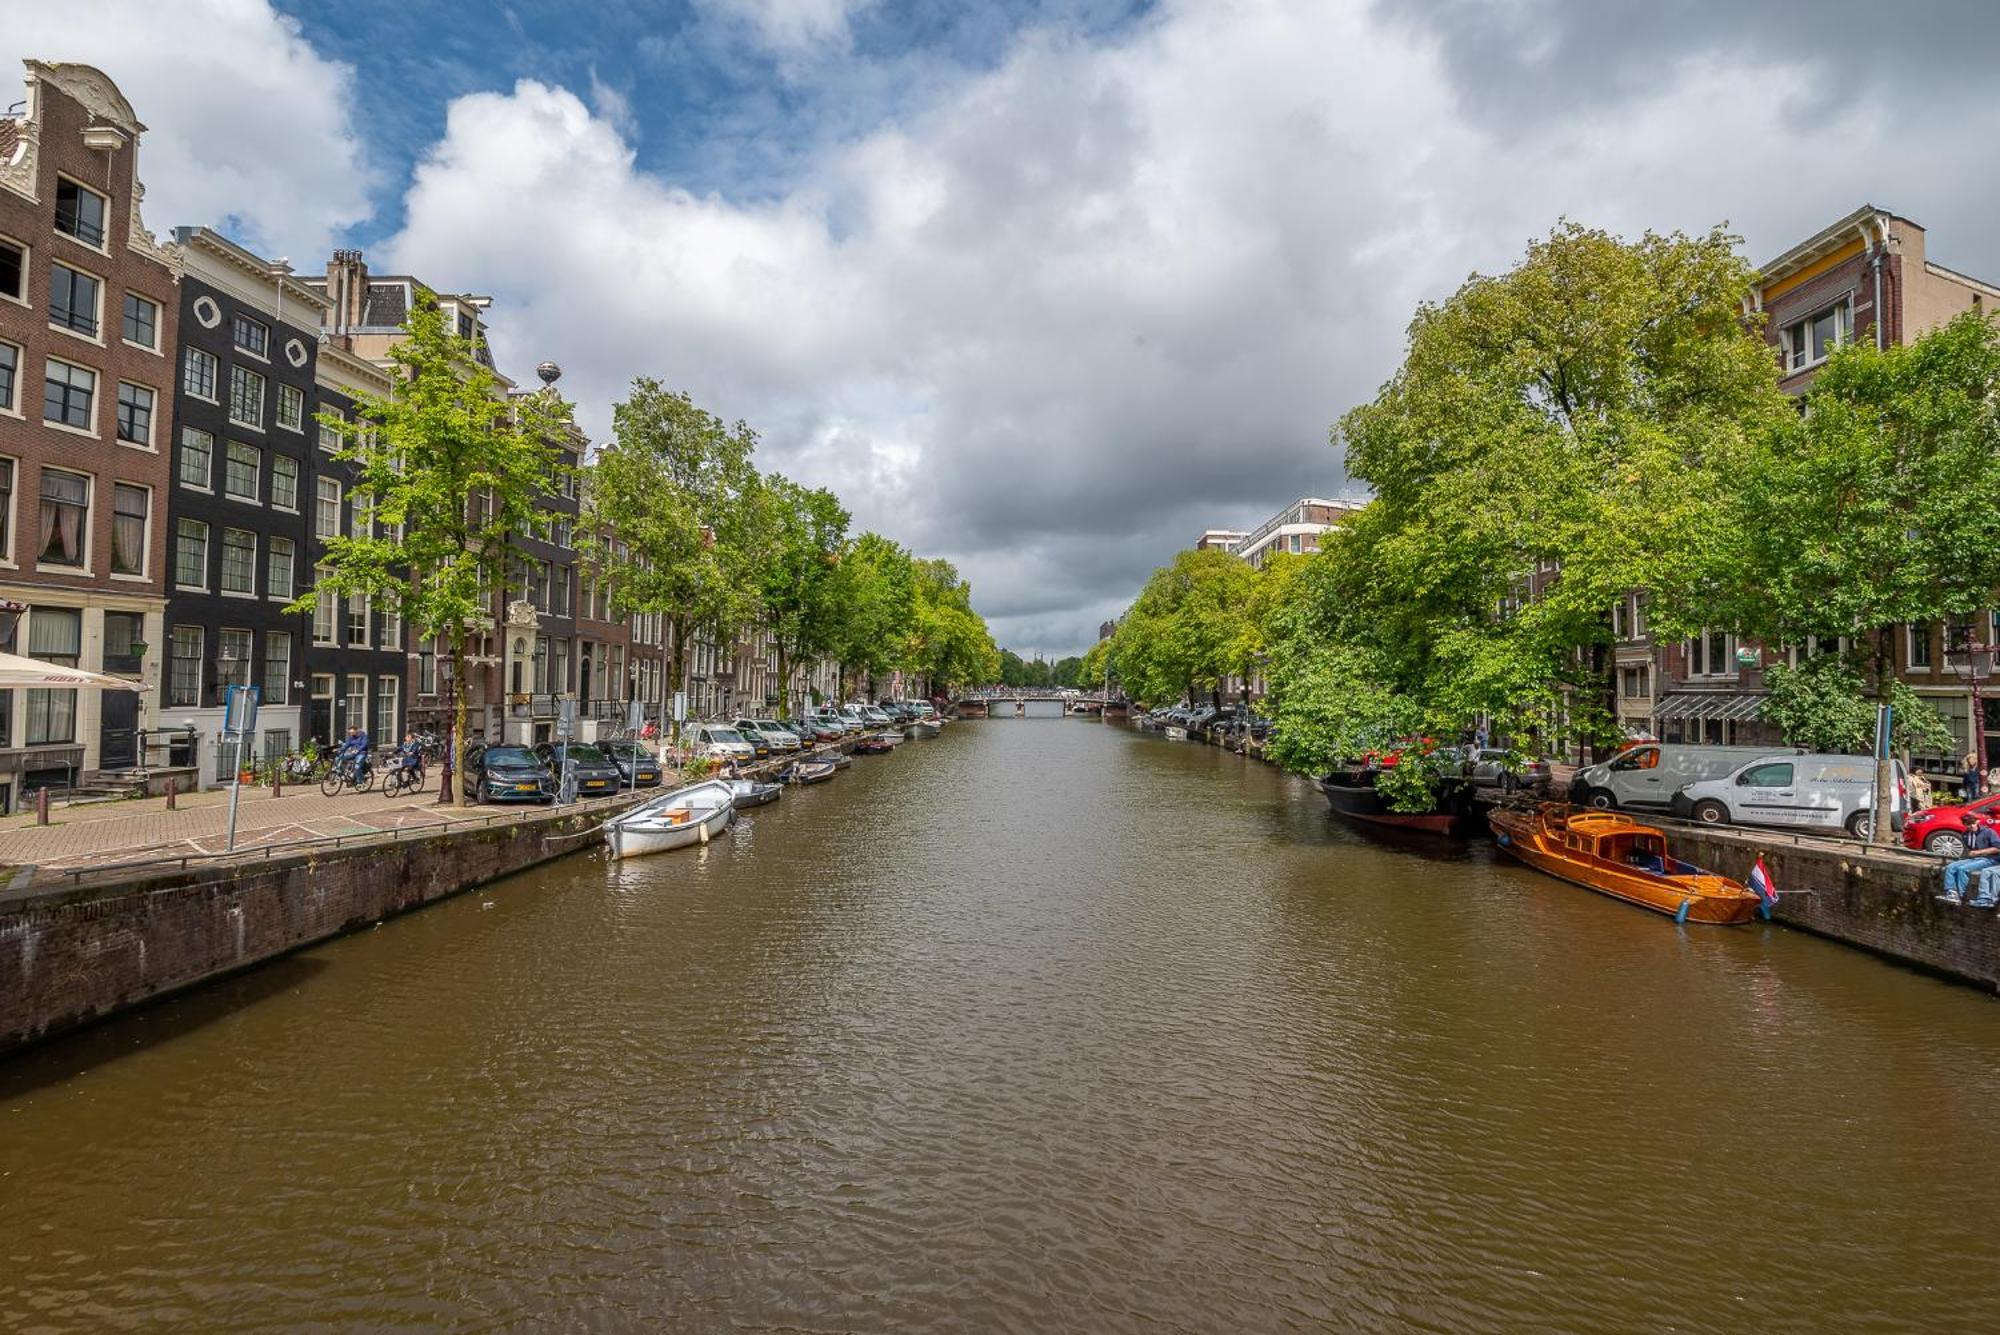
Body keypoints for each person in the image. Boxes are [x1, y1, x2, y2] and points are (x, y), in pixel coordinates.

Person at [1939, 817, 2000, 905]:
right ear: (1964, 825)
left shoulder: (1988, 832)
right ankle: (1951, 893)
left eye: (1973, 823)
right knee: (1950, 867)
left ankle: (1960, 895)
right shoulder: (1965, 835)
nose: (1971, 826)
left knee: (1963, 869)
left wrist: (1978, 852)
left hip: (1990, 859)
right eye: (1968, 824)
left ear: (1977, 822)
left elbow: (1997, 848)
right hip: (1975, 858)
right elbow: (1970, 851)